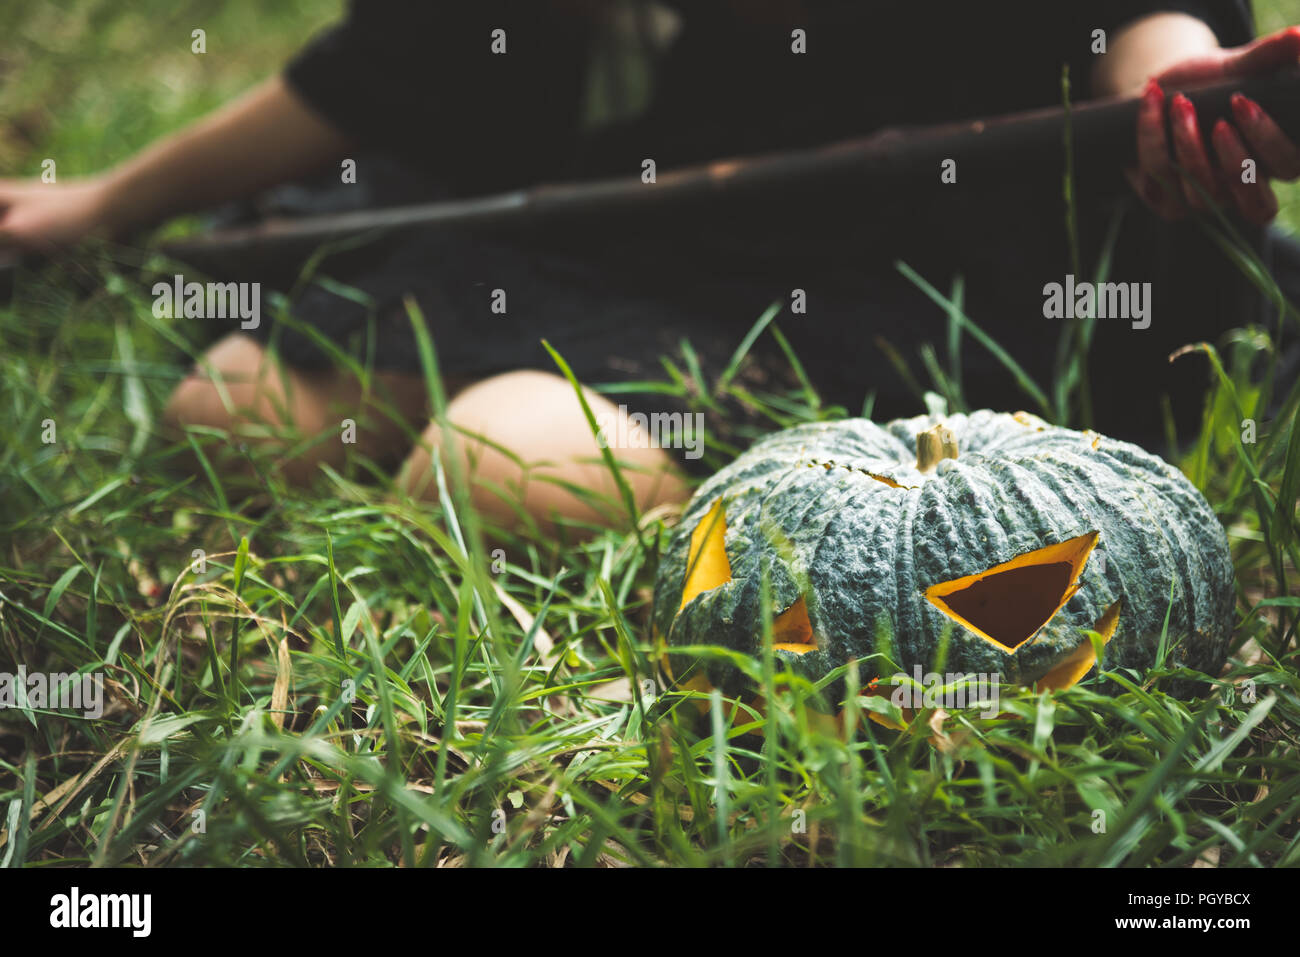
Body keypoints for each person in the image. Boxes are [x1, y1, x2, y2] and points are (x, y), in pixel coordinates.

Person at [2, 1, 1297, 531]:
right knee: (229, 419)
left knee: (501, 474)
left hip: (905, 257)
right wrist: (105, 205)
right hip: (642, 207)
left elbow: (1143, 26)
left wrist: (1168, 96)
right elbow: (400, 60)